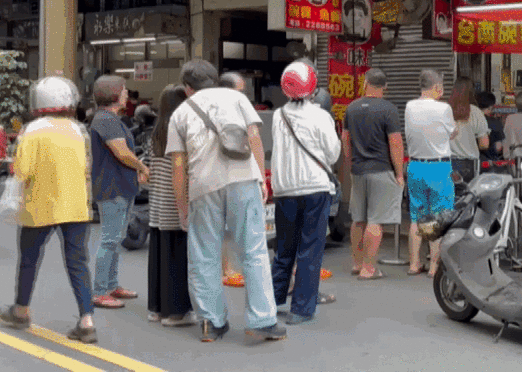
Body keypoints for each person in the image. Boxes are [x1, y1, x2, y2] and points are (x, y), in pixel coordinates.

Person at [166, 59, 286, 343]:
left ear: (187, 87)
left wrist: (182, 207)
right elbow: (254, 138)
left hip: (202, 186)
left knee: (204, 254)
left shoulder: (180, 113)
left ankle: (212, 323)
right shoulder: (236, 98)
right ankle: (263, 320)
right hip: (242, 179)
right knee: (254, 251)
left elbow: (178, 166)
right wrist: (260, 178)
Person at [0, 76, 97, 343]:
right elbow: (87, 167)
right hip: (76, 206)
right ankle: (87, 320)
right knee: (78, 263)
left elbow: (22, 171)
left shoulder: (31, 131)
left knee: (29, 260)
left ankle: (21, 310)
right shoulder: (79, 130)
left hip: (38, 206)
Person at [271, 61, 341, 325]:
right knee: (310, 249)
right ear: (313, 86)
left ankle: (274, 299)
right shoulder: (321, 116)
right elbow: (333, 153)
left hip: (285, 190)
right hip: (314, 188)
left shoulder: (279, 116)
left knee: (284, 249)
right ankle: (300, 309)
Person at [90, 75, 149, 309]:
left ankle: (111, 285)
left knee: (115, 239)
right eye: (124, 90)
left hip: (121, 186)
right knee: (110, 240)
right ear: (114, 94)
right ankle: (100, 290)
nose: (127, 94)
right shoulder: (105, 120)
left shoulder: (113, 120)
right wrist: (142, 166)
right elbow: (122, 153)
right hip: (111, 187)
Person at [343, 68, 405, 279]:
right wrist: (399, 173)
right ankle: (369, 268)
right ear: (385, 87)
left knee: (358, 219)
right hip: (381, 169)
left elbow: (345, 139)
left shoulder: (351, 108)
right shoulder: (389, 109)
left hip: (358, 170)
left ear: (365, 83)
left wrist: (351, 161)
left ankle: (356, 263)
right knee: (375, 220)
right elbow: (395, 142)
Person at [146, 85, 195, 327]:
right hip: (174, 202)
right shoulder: (181, 130)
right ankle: (175, 312)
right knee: (177, 259)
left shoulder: (155, 132)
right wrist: (183, 205)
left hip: (157, 203)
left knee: (158, 257)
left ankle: (156, 308)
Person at [405, 70, 457, 278]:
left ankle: (414, 264)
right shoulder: (444, 108)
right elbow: (451, 132)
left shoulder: (409, 106)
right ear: (437, 87)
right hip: (438, 168)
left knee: (417, 217)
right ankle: (434, 267)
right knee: (438, 218)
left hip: (415, 167)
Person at [217, 72, 247, 288]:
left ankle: (227, 268)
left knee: (225, 228)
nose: (243, 95)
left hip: (231, 174)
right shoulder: (221, 111)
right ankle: (225, 270)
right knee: (220, 227)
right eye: (240, 91)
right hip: (221, 176)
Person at [448, 78, 489, 183]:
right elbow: (484, 144)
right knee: (469, 196)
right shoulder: (476, 112)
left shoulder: (446, 111)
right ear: (472, 92)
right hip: (469, 165)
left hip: (447, 163)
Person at [476, 91, 505, 171]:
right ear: (491, 107)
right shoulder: (495, 123)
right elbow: (498, 147)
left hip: (473, 163)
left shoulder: (470, 121)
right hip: (490, 164)